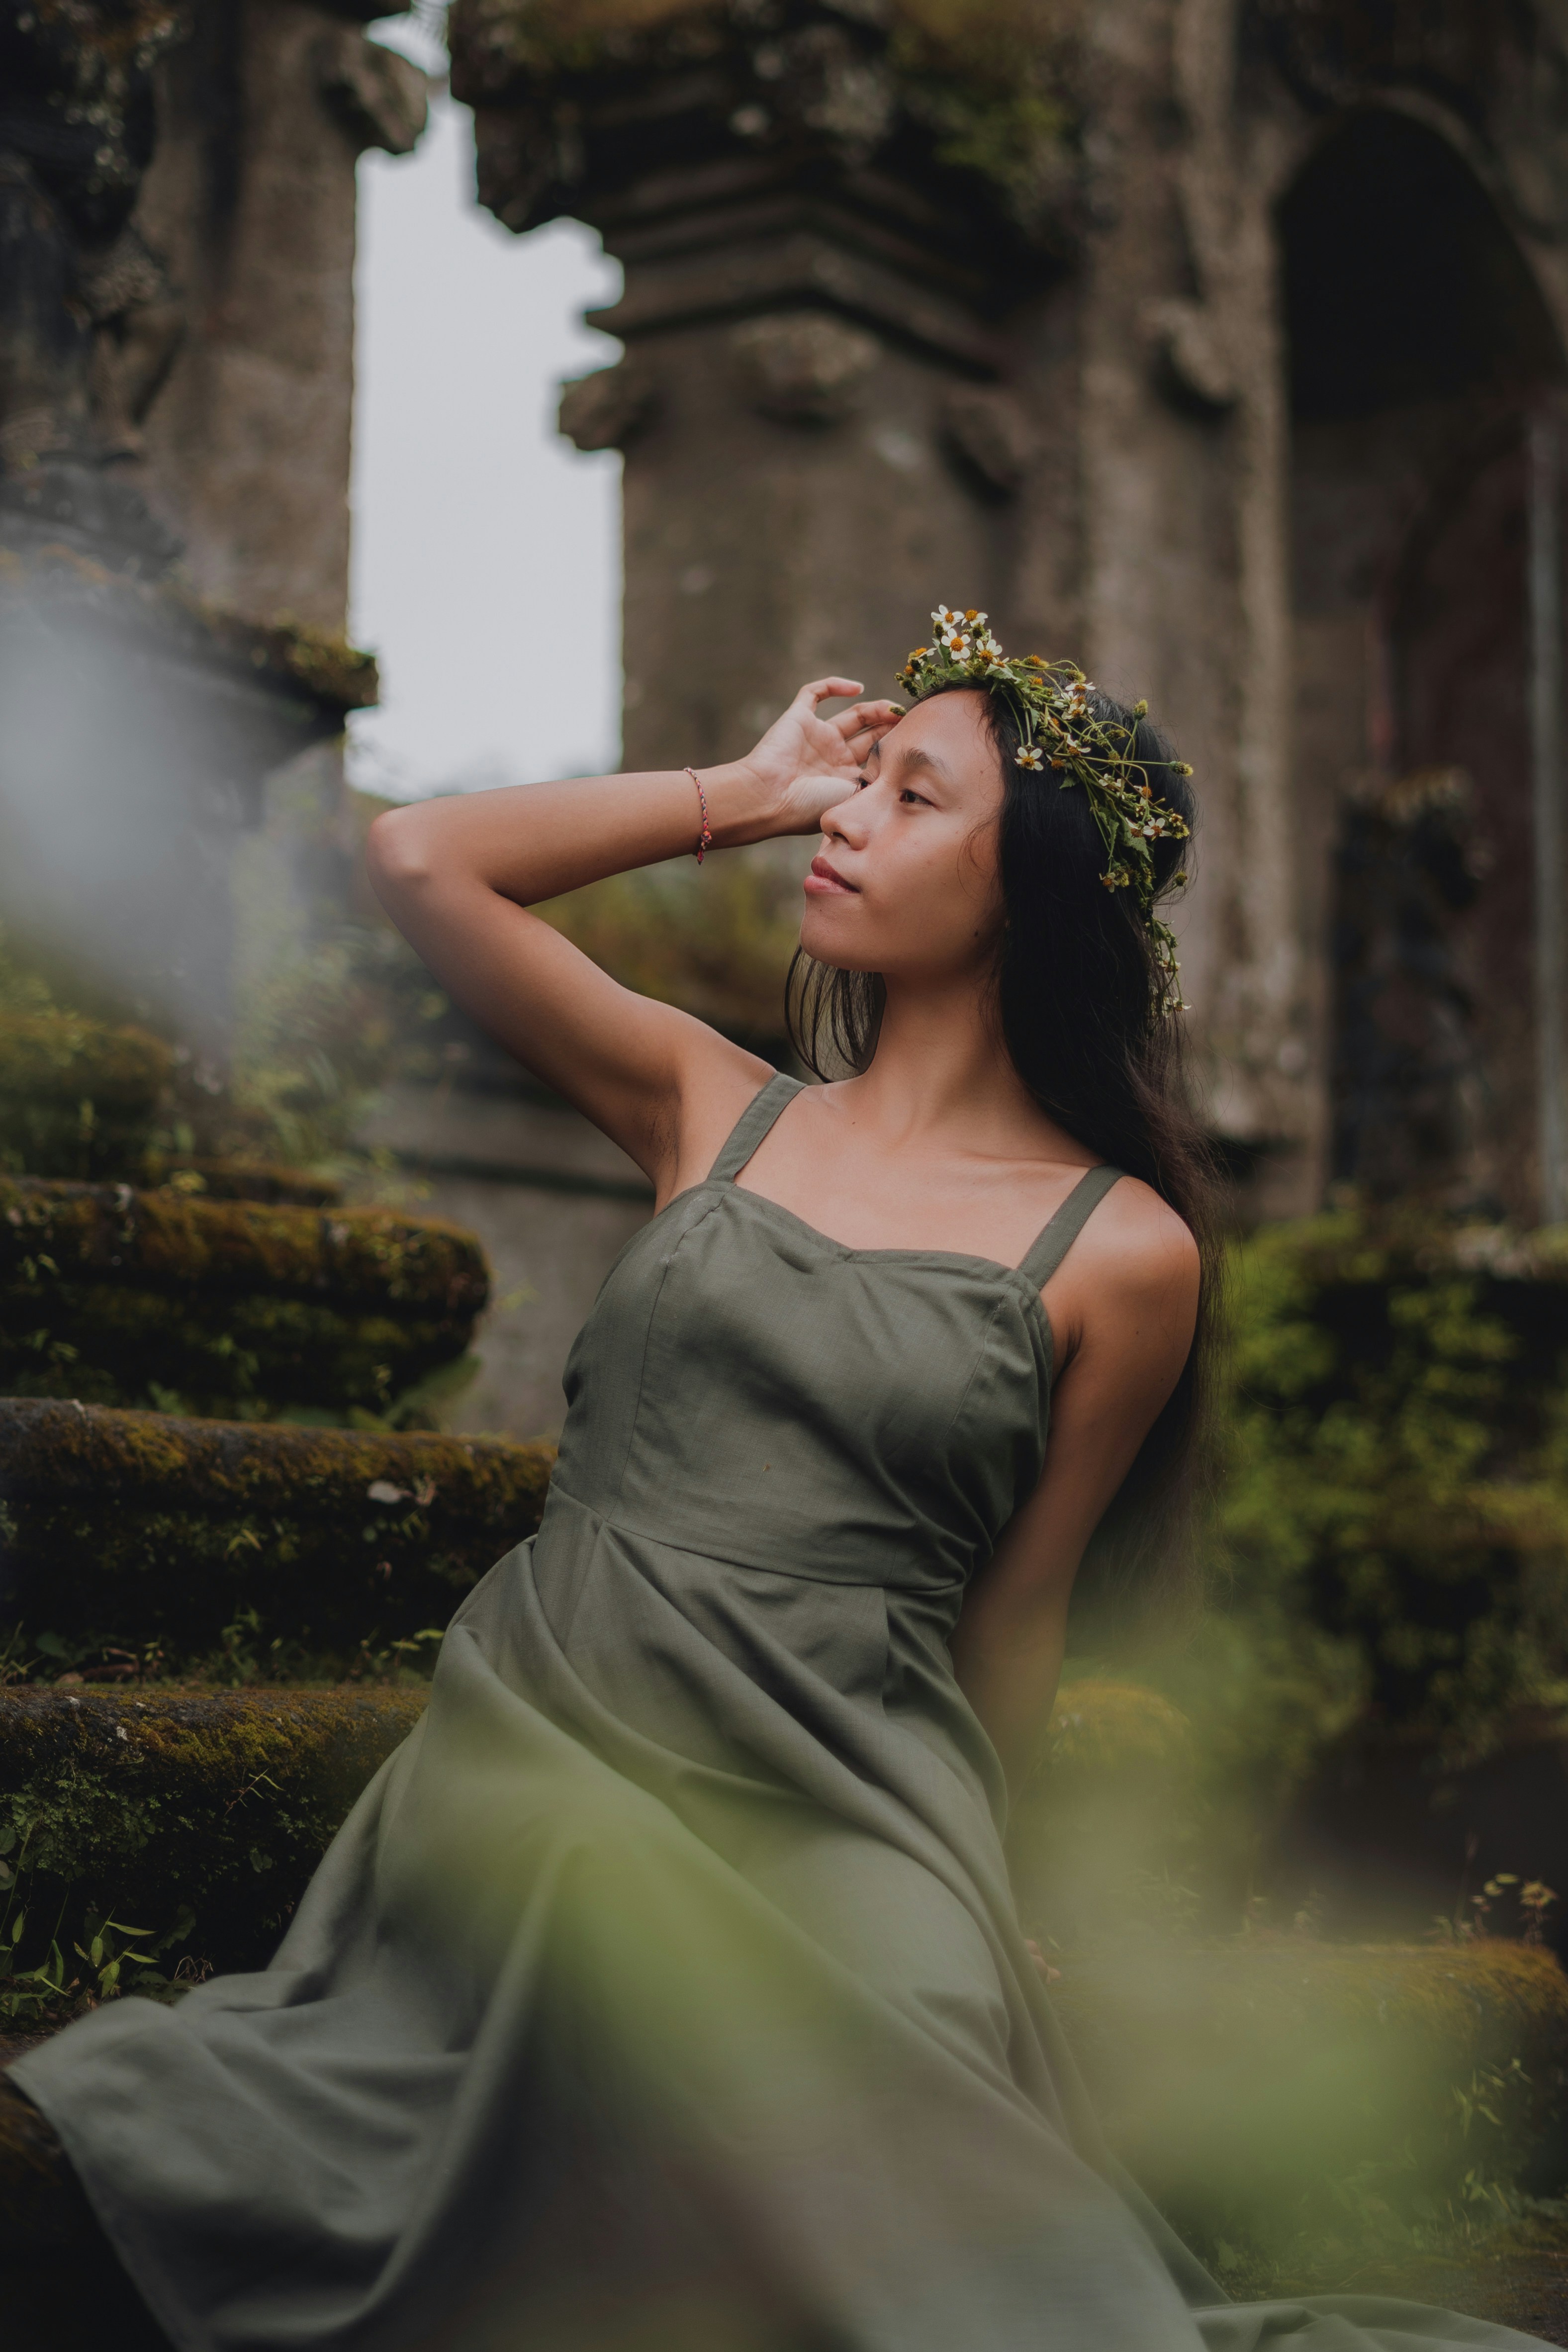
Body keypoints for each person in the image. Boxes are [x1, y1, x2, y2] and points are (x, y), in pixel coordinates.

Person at [0, 612, 1549, 2352]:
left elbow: (1011, 1617)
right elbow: (417, 858)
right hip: (561, 1731)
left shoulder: (1121, 1251)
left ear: (1030, 885)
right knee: (587, 1892)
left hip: (856, 1793)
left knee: (906, 2095)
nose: (847, 816)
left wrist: (1008, 1899)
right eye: (854, 781)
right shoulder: (707, 1103)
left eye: (909, 796)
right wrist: (735, 792)